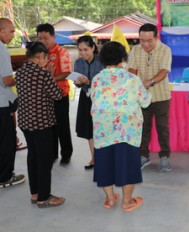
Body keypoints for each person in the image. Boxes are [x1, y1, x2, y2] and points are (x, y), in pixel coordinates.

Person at [91, 41, 151, 211]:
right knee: (127, 165)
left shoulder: (97, 79)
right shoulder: (132, 78)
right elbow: (145, 102)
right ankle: (127, 201)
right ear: (123, 58)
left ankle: (110, 199)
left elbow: (94, 100)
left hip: (103, 130)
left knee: (104, 164)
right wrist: (148, 90)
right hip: (127, 130)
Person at [15, 41, 65, 207]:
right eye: (46, 58)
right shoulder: (42, 73)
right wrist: (50, 73)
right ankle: (44, 197)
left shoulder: (20, 72)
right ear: (41, 56)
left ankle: (35, 193)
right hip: (41, 123)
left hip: (25, 121)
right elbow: (58, 95)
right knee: (44, 160)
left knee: (32, 156)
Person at [128, 23, 172, 172]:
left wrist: (150, 82)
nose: (145, 44)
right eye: (142, 40)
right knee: (142, 127)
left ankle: (165, 157)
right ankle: (143, 155)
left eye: (149, 41)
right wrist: (132, 83)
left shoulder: (165, 50)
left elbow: (164, 71)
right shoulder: (135, 50)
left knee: (162, 128)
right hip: (141, 96)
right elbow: (132, 70)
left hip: (161, 96)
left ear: (156, 37)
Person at [37, 23, 73, 165]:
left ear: (53, 36)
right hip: (45, 97)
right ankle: (52, 154)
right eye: (40, 38)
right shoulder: (39, 53)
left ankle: (66, 154)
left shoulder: (61, 52)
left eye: (45, 38)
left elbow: (67, 73)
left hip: (60, 95)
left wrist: (49, 78)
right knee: (48, 126)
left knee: (62, 126)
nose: (43, 41)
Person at [0, 17, 26, 188]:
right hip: (2, 103)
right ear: (1, 31)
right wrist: (22, 75)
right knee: (6, 141)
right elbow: (7, 81)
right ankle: (4, 177)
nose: (12, 35)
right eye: (10, 31)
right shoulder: (1, 49)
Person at [74, 35, 104, 170]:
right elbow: (78, 83)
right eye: (80, 50)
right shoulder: (78, 63)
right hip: (85, 98)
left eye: (86, 49)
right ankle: (94, 158)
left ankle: (104, 157)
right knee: (88, 129)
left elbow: (105, 83)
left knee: (101, 129)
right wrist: (78, 83)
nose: (83, 53)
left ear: (93, 48)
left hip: (101, 99)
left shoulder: (102, 62)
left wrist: (90, 82)